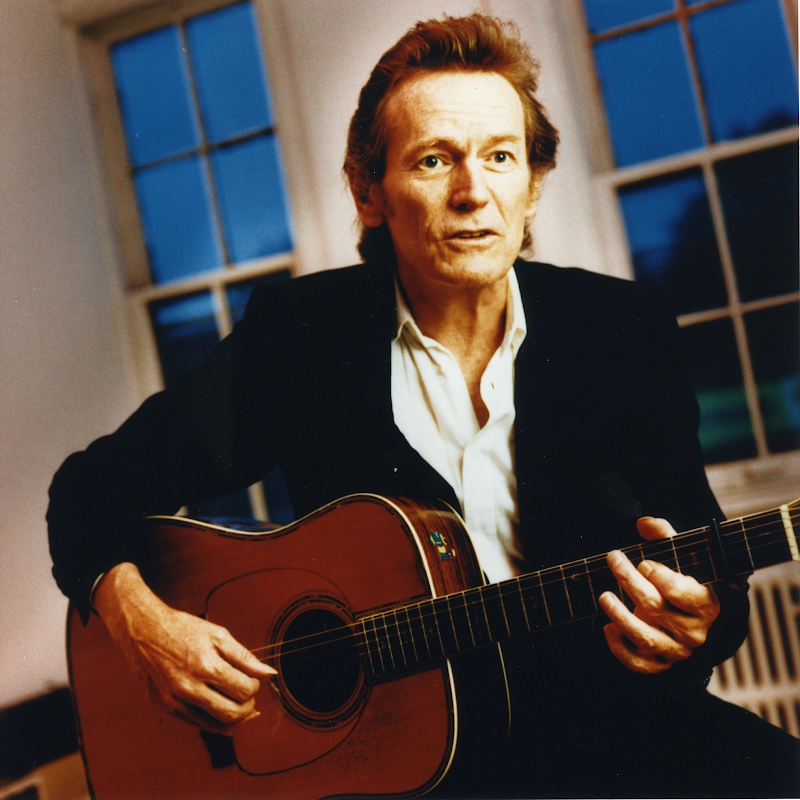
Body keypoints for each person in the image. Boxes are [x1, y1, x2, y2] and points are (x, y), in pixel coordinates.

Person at [48, 14, 797, 798]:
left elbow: (709, 564)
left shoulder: (621, 329)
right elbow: (87, 493)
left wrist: (701, 620)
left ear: (533, 185)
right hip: (400, 767)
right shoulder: (301, 339)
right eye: (435, 160)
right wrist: (141, 622)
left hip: (612, 735)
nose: (474, 193)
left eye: (501, 157)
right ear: (368, 191)